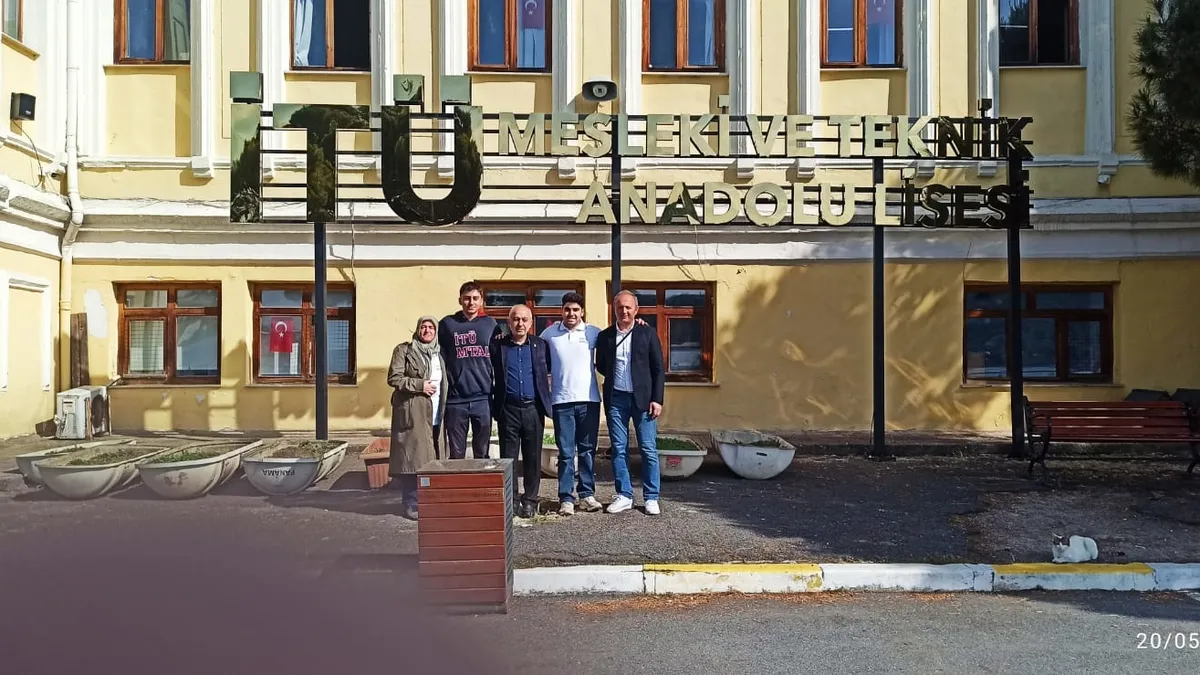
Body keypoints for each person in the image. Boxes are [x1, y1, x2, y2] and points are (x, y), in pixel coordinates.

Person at [595, 290, 666, 515]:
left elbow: (658, 369)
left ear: (636, 310)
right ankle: (624, 495)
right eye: (620, 307)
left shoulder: (647, 333)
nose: (624, 311)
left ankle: (651, 497)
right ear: (614, 309)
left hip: (643, 400)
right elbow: (601, 365)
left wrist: (657, 399)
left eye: (628, 307)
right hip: (616, 399)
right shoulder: (605, 336)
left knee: (648, 448)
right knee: (618, 448)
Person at [539, 292, 604, 516]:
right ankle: (566, 498)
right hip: (561, 401)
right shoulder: (549, 334)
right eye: (567, 309)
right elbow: (535, 352)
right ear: (561, 310)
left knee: (587, 451)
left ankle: (587, 495)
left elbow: (617, 339)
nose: (571, 313)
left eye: (576, 309)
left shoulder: (593, 332)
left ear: (582, 311)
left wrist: (640, 323)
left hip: (589, 400)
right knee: (566, 453)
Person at [490, 304, 553, 518]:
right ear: (509, 322)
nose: (520, 324)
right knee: (508, 459)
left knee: (533, 458)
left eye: (524, 319)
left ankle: (530, 501)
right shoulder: (499, 345)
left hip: (533, 409)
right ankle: (511, 500)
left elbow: (548, 370)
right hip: (508, 409)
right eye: (516, 319)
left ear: (531, 323)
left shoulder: (540, 345)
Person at [386, 316, 448, 521]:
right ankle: (411, 502)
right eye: (423, 327)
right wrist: (420, 385)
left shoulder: (439, 353)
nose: (427, 330)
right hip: (413, 411)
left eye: (431, 327)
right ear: (417, 329)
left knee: (431, 457)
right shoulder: (404, 350)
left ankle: (429, 501)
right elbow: (394, 378)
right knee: (412, 457)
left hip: (436, 412)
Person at [438, 281, 502, 460]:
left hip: (483, 398)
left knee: (482, 453)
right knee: (456, 454)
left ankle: (480, 480)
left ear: (481, 301)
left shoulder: (490, 324)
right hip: (455, 400)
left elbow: (498, 355)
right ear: (460, 300)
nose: (471, 302)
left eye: (475, 298)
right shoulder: (447, 324)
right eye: (467, 298)